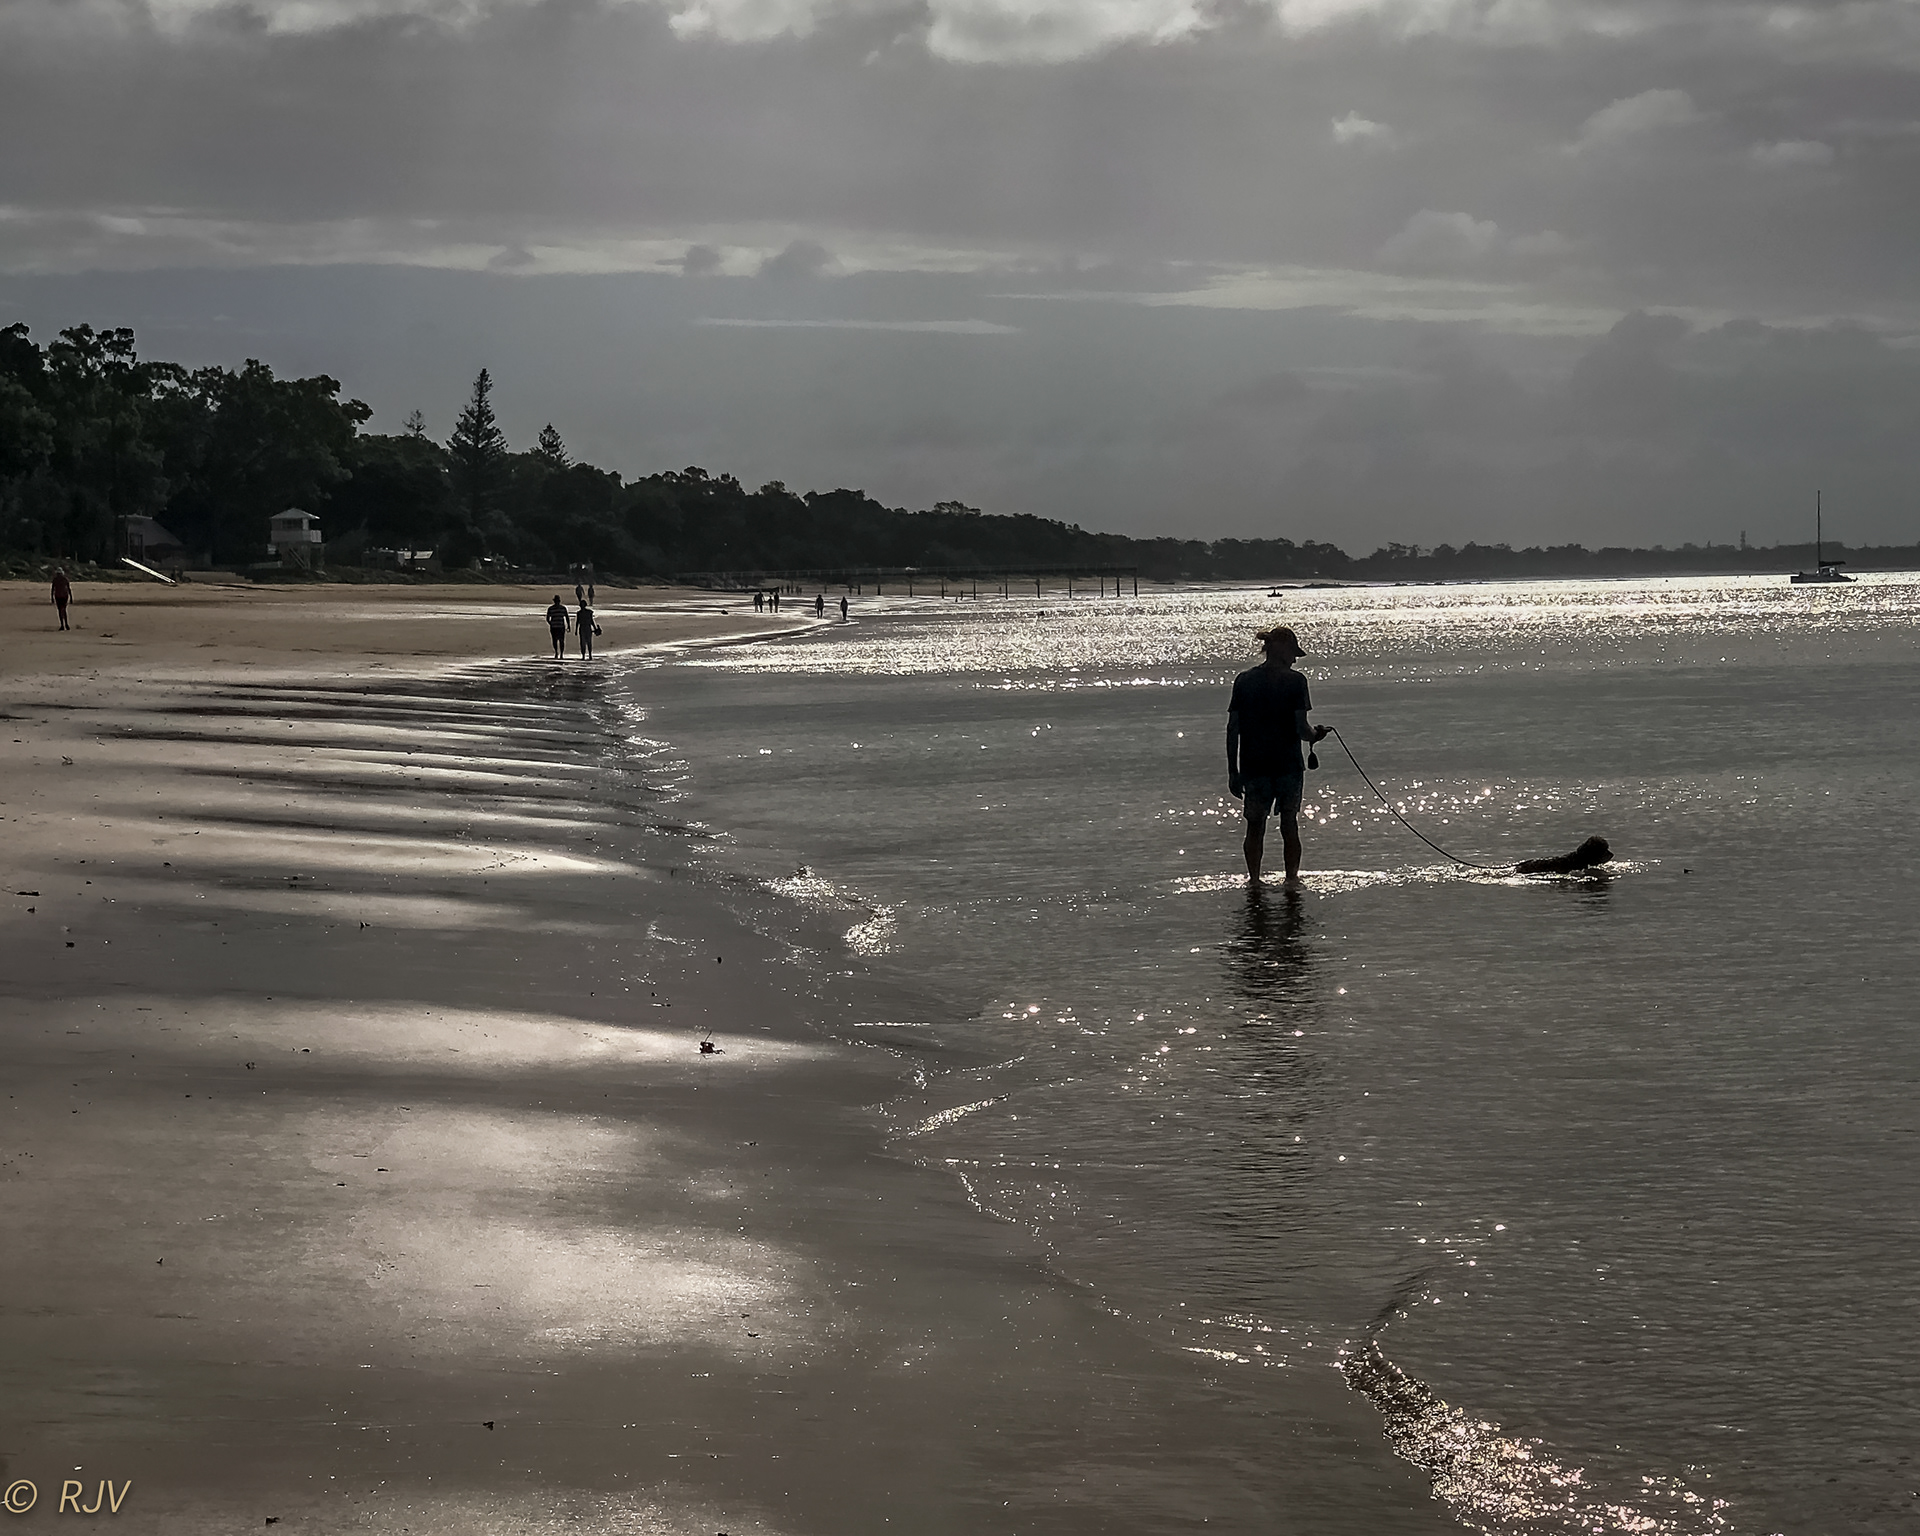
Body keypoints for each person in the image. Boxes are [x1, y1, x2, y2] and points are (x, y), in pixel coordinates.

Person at [1227, 625, 1329, 885]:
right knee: (1289, 825)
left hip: (1253, 766)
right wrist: (1317, 735)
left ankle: (1254, 881)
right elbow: (1301, 728)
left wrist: (1233, 771)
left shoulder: (1244, 680)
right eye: (1293, 653)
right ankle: (1292, 881)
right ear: (1282, 649)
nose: (1295, 659)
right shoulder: (1296, 682)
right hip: (1288, 766)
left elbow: (1233, 729)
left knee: (1255, 827)